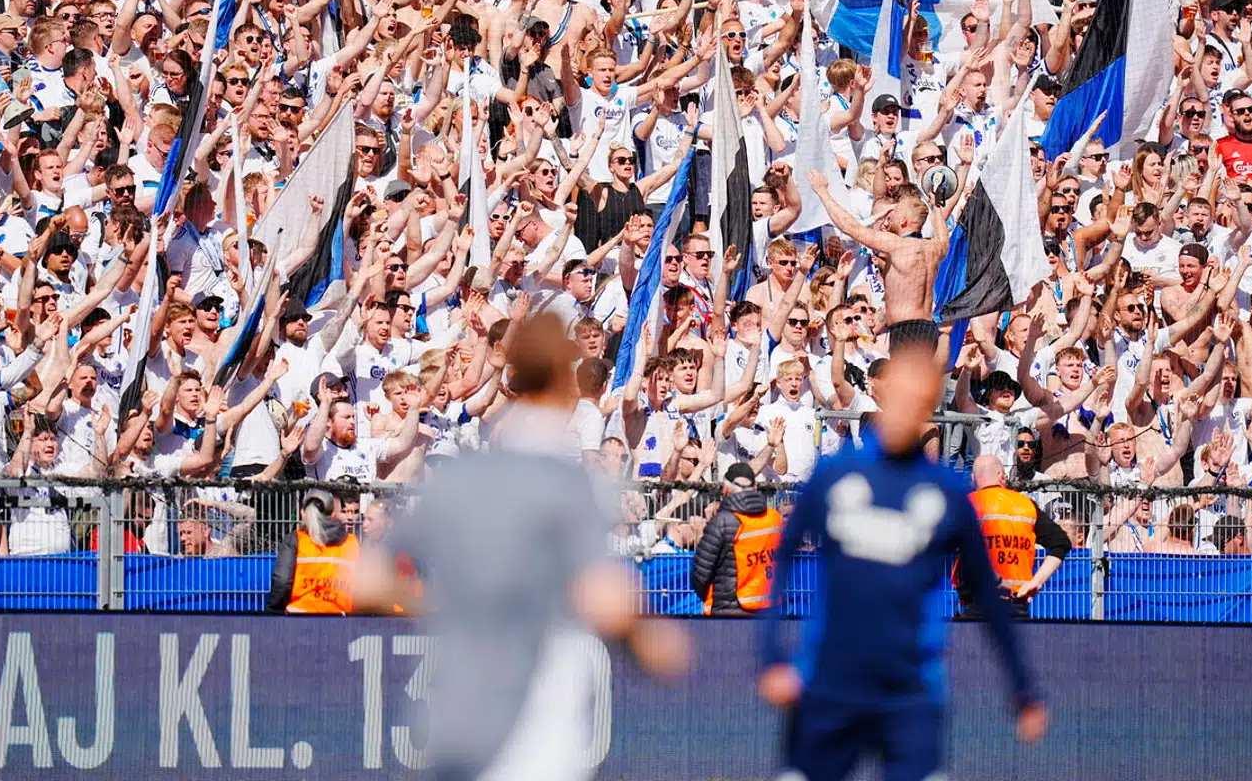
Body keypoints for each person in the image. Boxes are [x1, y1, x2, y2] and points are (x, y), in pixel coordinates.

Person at [352, 313, 688, 781]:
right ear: (561, 383)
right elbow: (604, 599)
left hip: (456, 723)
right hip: (534, 731)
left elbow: (362, 582)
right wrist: (651, 640)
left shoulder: (462, 476)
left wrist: (446, 609)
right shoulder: (568, 487)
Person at [757, 348, 1046, 781]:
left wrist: (1022, 687)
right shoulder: (835, 477)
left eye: (920, 399)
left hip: (911, 690)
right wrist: (772, 658)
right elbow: (779, 562)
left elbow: (987, 592)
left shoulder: (946, 494)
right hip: (831, 681)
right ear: (881, 394)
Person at [955, 454, 1072, 619]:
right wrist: (1036, 582)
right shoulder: (1025, 505)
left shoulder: (968, 505)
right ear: (1002, 476)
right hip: (1018, 603)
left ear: (973, 479)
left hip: (978, 603)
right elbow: (1061, 543)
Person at [690, 460, 782, 616]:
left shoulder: (722, 522)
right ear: (755, 488)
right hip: (769, 611)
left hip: (727, 614)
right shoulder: (775, 518)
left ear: (726, 489)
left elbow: (700, 574)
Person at [267, 488, 361, 614]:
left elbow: (282, 581)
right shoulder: (351, 542)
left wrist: (273, 611)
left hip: (299, 616)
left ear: (302, 513)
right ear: (333, 514)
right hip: (340, 619)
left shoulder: (296, 539)